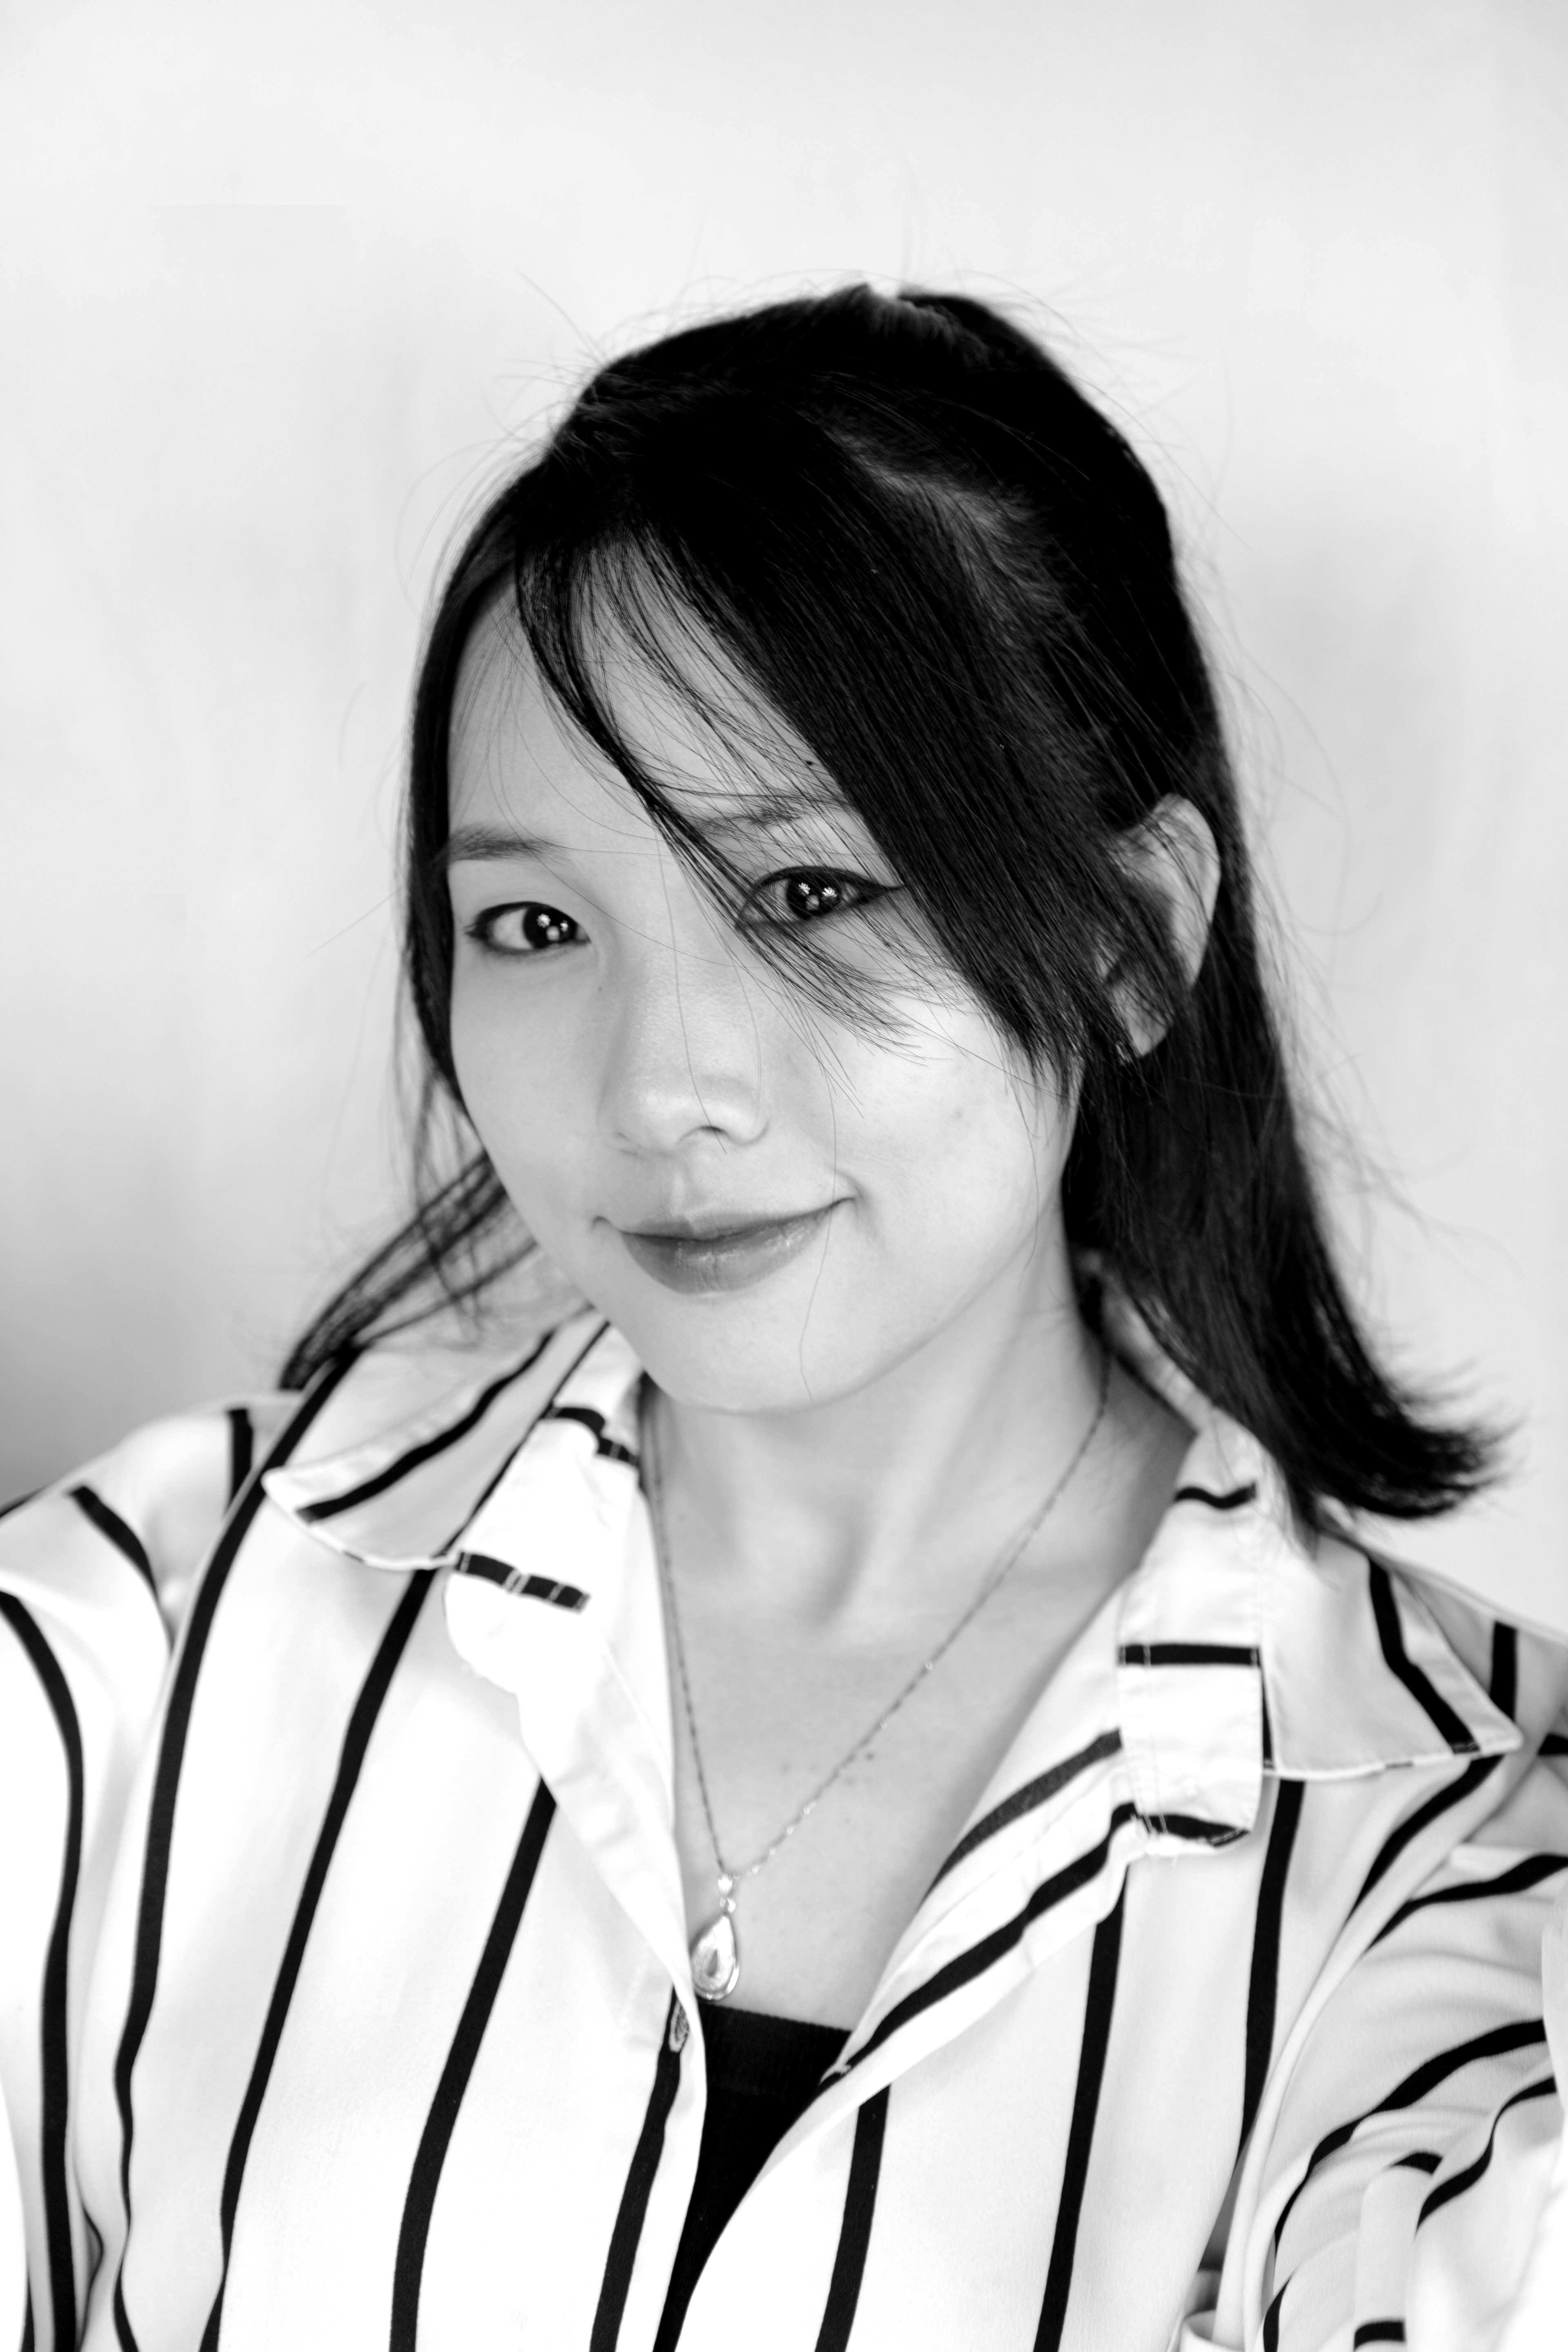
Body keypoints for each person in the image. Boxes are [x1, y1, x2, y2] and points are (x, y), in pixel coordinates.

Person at [0, 284, 1564, 2352]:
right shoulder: (133, 1645)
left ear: (1130, 942)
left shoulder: (1459, 1835)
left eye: (811, 896)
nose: (661, 1088)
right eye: (534, 924)